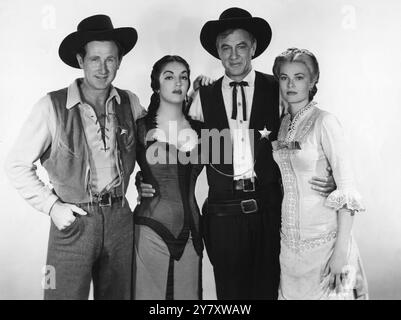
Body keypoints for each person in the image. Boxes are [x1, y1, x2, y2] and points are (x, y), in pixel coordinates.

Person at [4, 14, 146, 300]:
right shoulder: (51, 106)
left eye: (110, 59)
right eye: (95, 59)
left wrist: (146, 178)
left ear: (119, 61)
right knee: (60, 296)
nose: (103, 68)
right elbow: (16, 164)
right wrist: (53, 207)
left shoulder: (129, 101)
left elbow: (154, 149)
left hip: (120, 218)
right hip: (73, 220)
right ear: (80, 60)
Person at [271, 48, 369, 299]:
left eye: (299, 77)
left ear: (313, 81)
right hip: (290, 249)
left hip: (326, 244)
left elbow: (347, 193)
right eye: (284, 77)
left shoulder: (325, 122)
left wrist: (340, 254)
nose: (291, 84)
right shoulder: (283, 126)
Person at [134, 55, 207, 300]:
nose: (178, 83)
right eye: (169, 77)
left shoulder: (202, 128)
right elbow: (118, 168)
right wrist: (138, 181)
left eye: (183, 77)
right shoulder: (140, 127)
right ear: (156, 85)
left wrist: (204, 93)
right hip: (151, 230)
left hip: (193, 233)